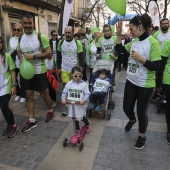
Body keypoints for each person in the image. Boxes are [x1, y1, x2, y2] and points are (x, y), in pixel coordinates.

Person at [115, 13, 161, 149]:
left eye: (132, 28)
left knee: (142, 111)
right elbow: (120, 50)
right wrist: (118, 35)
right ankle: (131, 119)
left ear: (140, 28)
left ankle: (141, 136)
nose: (130, 31)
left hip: (146, 84)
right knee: (126, 107)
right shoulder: (134, 42)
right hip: (131, 80)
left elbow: (157, 66)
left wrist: (142, 59)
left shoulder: (153, 43)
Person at [18, 13, 54, 133]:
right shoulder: (20, 37)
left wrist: (34, 56)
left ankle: (50, 110)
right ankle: (32, 120)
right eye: (25, 23)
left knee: (43, 94)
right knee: (29, 95)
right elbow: (19, 51)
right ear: (22, 24)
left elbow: (49, 53)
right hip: (25, 71)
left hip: (39, 70)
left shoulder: (40, 36)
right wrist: (20, 58)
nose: (28, 25)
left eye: (30, 23)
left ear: (33, 23)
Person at [61, 66, 91, 134]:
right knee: (74, 117)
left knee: (80, 116)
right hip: (71, 104)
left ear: (82, 75)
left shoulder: (84, 84)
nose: (78, 77)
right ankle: (77, 129)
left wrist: (84, 100)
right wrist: (63, 99)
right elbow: (65, 92)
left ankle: (87, 123)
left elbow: (87, 94)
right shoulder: (69, 84)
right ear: (72, 75)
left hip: (80, 104)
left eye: (80, 76)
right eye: (76, 75)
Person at [0, 37, 18, 138]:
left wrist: (14, 85)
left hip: (5, 85)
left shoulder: (6, 56)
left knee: (4, 106)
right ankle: (9, 125)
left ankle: (13, 125)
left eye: (0, 42)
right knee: (3, 108)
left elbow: (12, 71)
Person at [156, 39, 170, 144]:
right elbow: (162, 63)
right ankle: (169, 131)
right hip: (168, 79)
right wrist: (159, 82)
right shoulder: (168, 43)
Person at [8, 23, 26, 103]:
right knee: (14, 80)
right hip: (13, 63)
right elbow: (9, 51)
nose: (16, 31)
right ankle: (18, 93)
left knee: (22, 80)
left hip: (21, 62)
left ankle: (23, 95)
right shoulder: (11, 39)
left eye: (18, 29)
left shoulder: (23, 38)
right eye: (15, 29)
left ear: (21, 30)